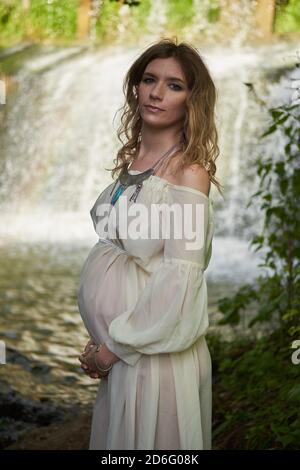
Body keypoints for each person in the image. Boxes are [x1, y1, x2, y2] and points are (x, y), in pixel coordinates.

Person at [77, 37, 223, 450]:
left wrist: (114, 347)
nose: (157, 92)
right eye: (149, 79)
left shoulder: (189, 173)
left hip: (155, 360)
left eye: (174, 85)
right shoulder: (135, 162)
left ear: (192, 100)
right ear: (136, 87)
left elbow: (181, 280)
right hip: (126, 353)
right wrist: (104, 340)